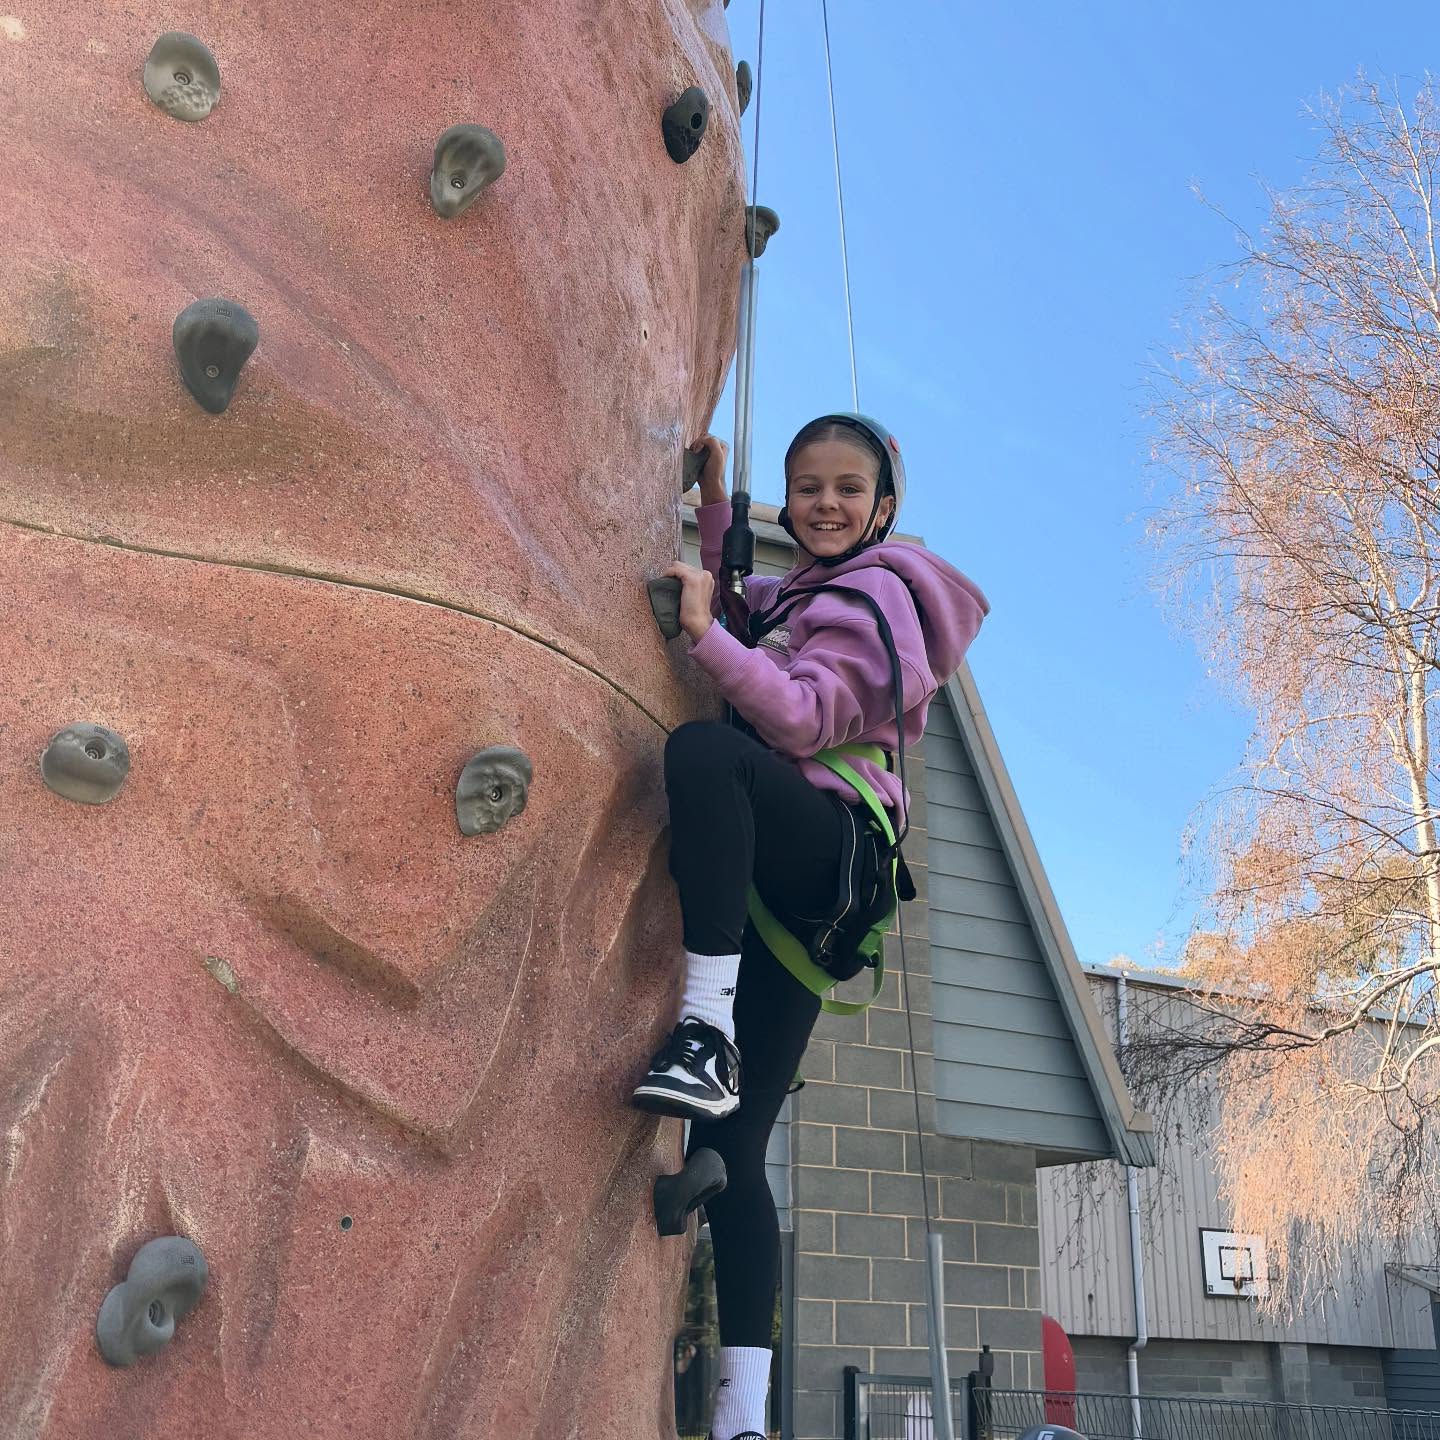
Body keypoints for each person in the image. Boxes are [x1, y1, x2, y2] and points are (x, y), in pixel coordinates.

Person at [631, 413, 989, 1440]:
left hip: (827, 852)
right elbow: (750, 624)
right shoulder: (802, 593)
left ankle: (703, 1032)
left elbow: (794, 716)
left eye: (847, 486)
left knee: (704, 754)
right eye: (807, 487)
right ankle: (746, 1421)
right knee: (736, 1159)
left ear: (884, 506)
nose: (824, 504)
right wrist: (713, 510)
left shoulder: (883, 595)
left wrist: (702, 634)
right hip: (792, 900)